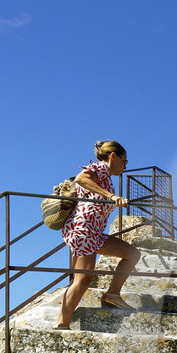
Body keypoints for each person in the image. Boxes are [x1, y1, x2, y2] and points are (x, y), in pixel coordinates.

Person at [57, 139, 141, 330]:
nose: (125, 166)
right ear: (113, 156)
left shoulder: (105, 176)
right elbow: (81, 179)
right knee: (83, 279)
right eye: (124, 161)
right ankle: (61, 324)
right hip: (83, 230)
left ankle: (112, 295)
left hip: (93, 233)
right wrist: (112, 196)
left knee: (132, 254)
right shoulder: (101, 168)